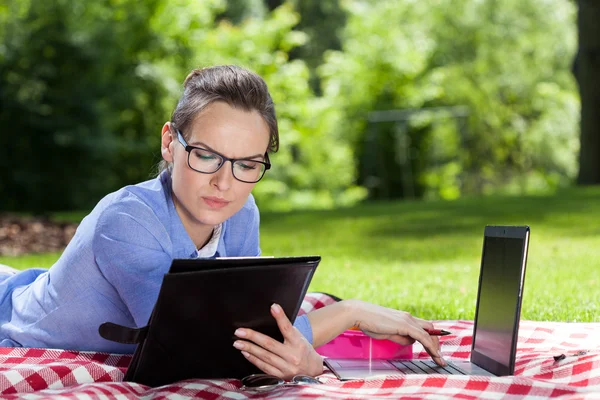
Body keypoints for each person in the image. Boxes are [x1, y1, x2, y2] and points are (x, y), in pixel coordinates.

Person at [0, 65, 446, 379]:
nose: (224, 183)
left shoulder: (241, 213)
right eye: (207, 155)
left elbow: (243, 326)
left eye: (248, 164)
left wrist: (304, 346)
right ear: (169, 143)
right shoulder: (127, 219)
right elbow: (196, 346)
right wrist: (348, 312)